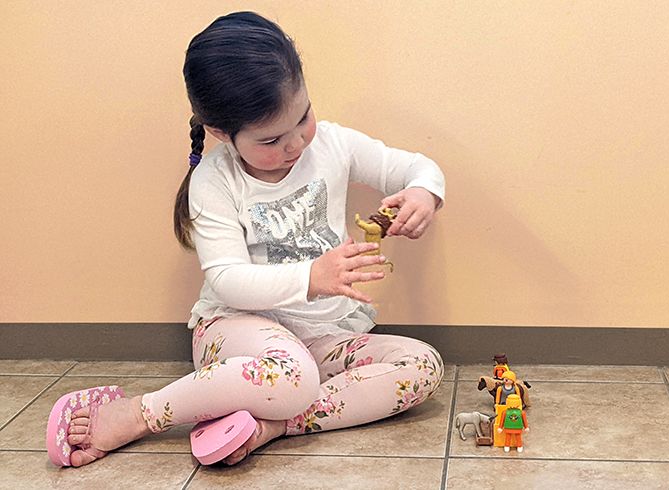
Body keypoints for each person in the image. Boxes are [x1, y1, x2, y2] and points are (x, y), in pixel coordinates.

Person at [54, 11, 446, 467]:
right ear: (223, 133)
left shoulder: (333, 146)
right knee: (292, 376)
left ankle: (273, 426)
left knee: (421, 366)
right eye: (272, 138)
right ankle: (140, 414)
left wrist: (424, 191)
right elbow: (228, 281)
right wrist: (312, 276)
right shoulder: (214, 183)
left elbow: (412, 165)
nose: (296, 143)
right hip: (238, 334)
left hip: (322, 338)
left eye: (304, 117)